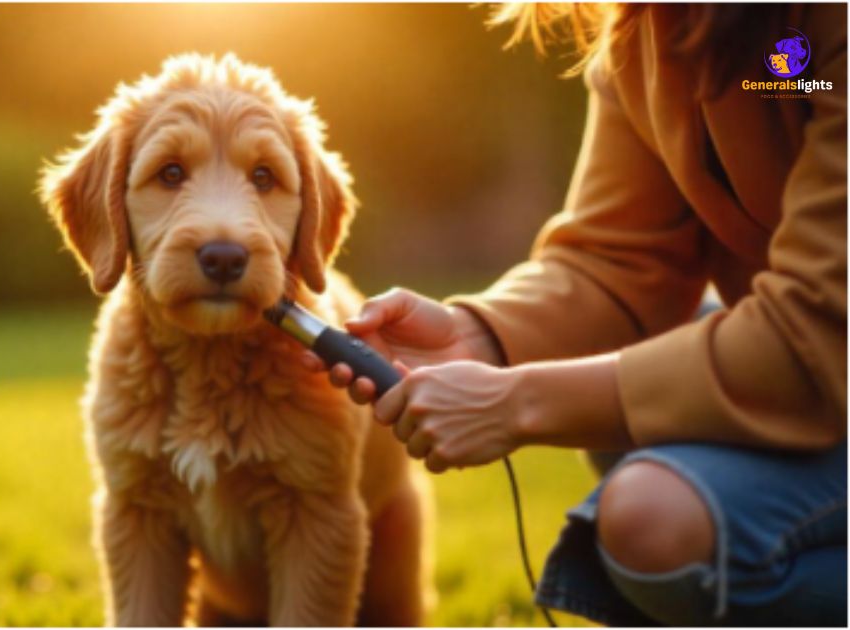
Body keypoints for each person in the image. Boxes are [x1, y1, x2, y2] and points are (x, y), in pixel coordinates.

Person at [306, 4, 847, 626]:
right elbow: (620, 261)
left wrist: (518, 403)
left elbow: (814, 335)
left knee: (653, 516)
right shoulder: (648, 24)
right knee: (628, 436)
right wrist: (478, 335)